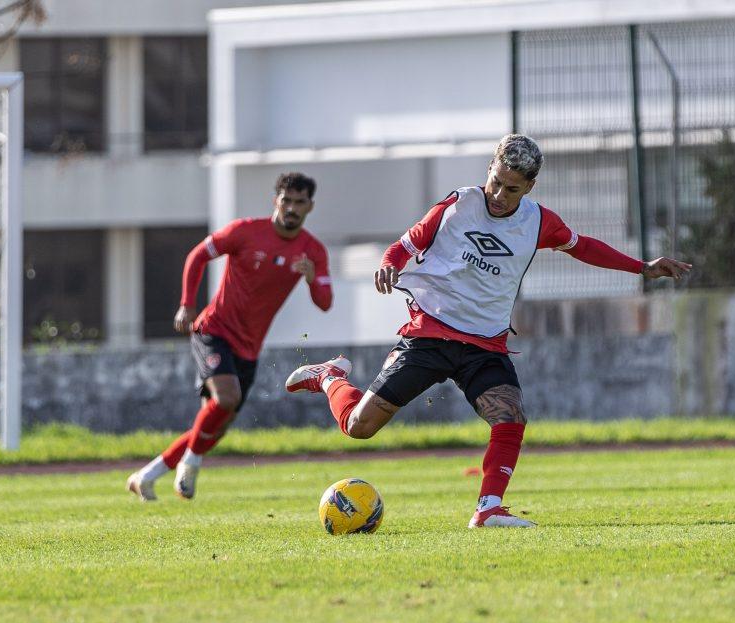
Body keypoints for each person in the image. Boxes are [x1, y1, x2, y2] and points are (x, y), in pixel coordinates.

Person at [285, 135, 690, 527]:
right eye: (496, 182)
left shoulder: (539, 222)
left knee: (510, 416)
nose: (499, 195)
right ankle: (330, 377)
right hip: (429, 333)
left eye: (512, 189)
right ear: (489, 169)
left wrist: (642, 268)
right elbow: (404, 246)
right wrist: (389, 263)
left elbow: (583, 246)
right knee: (359, 428)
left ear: (529, 187)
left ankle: (489, 508)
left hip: (484, 345)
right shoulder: (459, 204)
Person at [127, 172, 333, 501]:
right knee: (226, 399)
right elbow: (198, 256)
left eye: (299, 202)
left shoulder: (313, 251)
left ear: (310, 206)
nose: (292, 208)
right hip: (214, 330)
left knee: (215, 425)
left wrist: (311, 279)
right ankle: (190, 466)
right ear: (275, 201)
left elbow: (325, 303)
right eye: (286, 200)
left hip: (249, 347)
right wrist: (186, 305)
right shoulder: (245, 231)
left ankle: (146, 476)